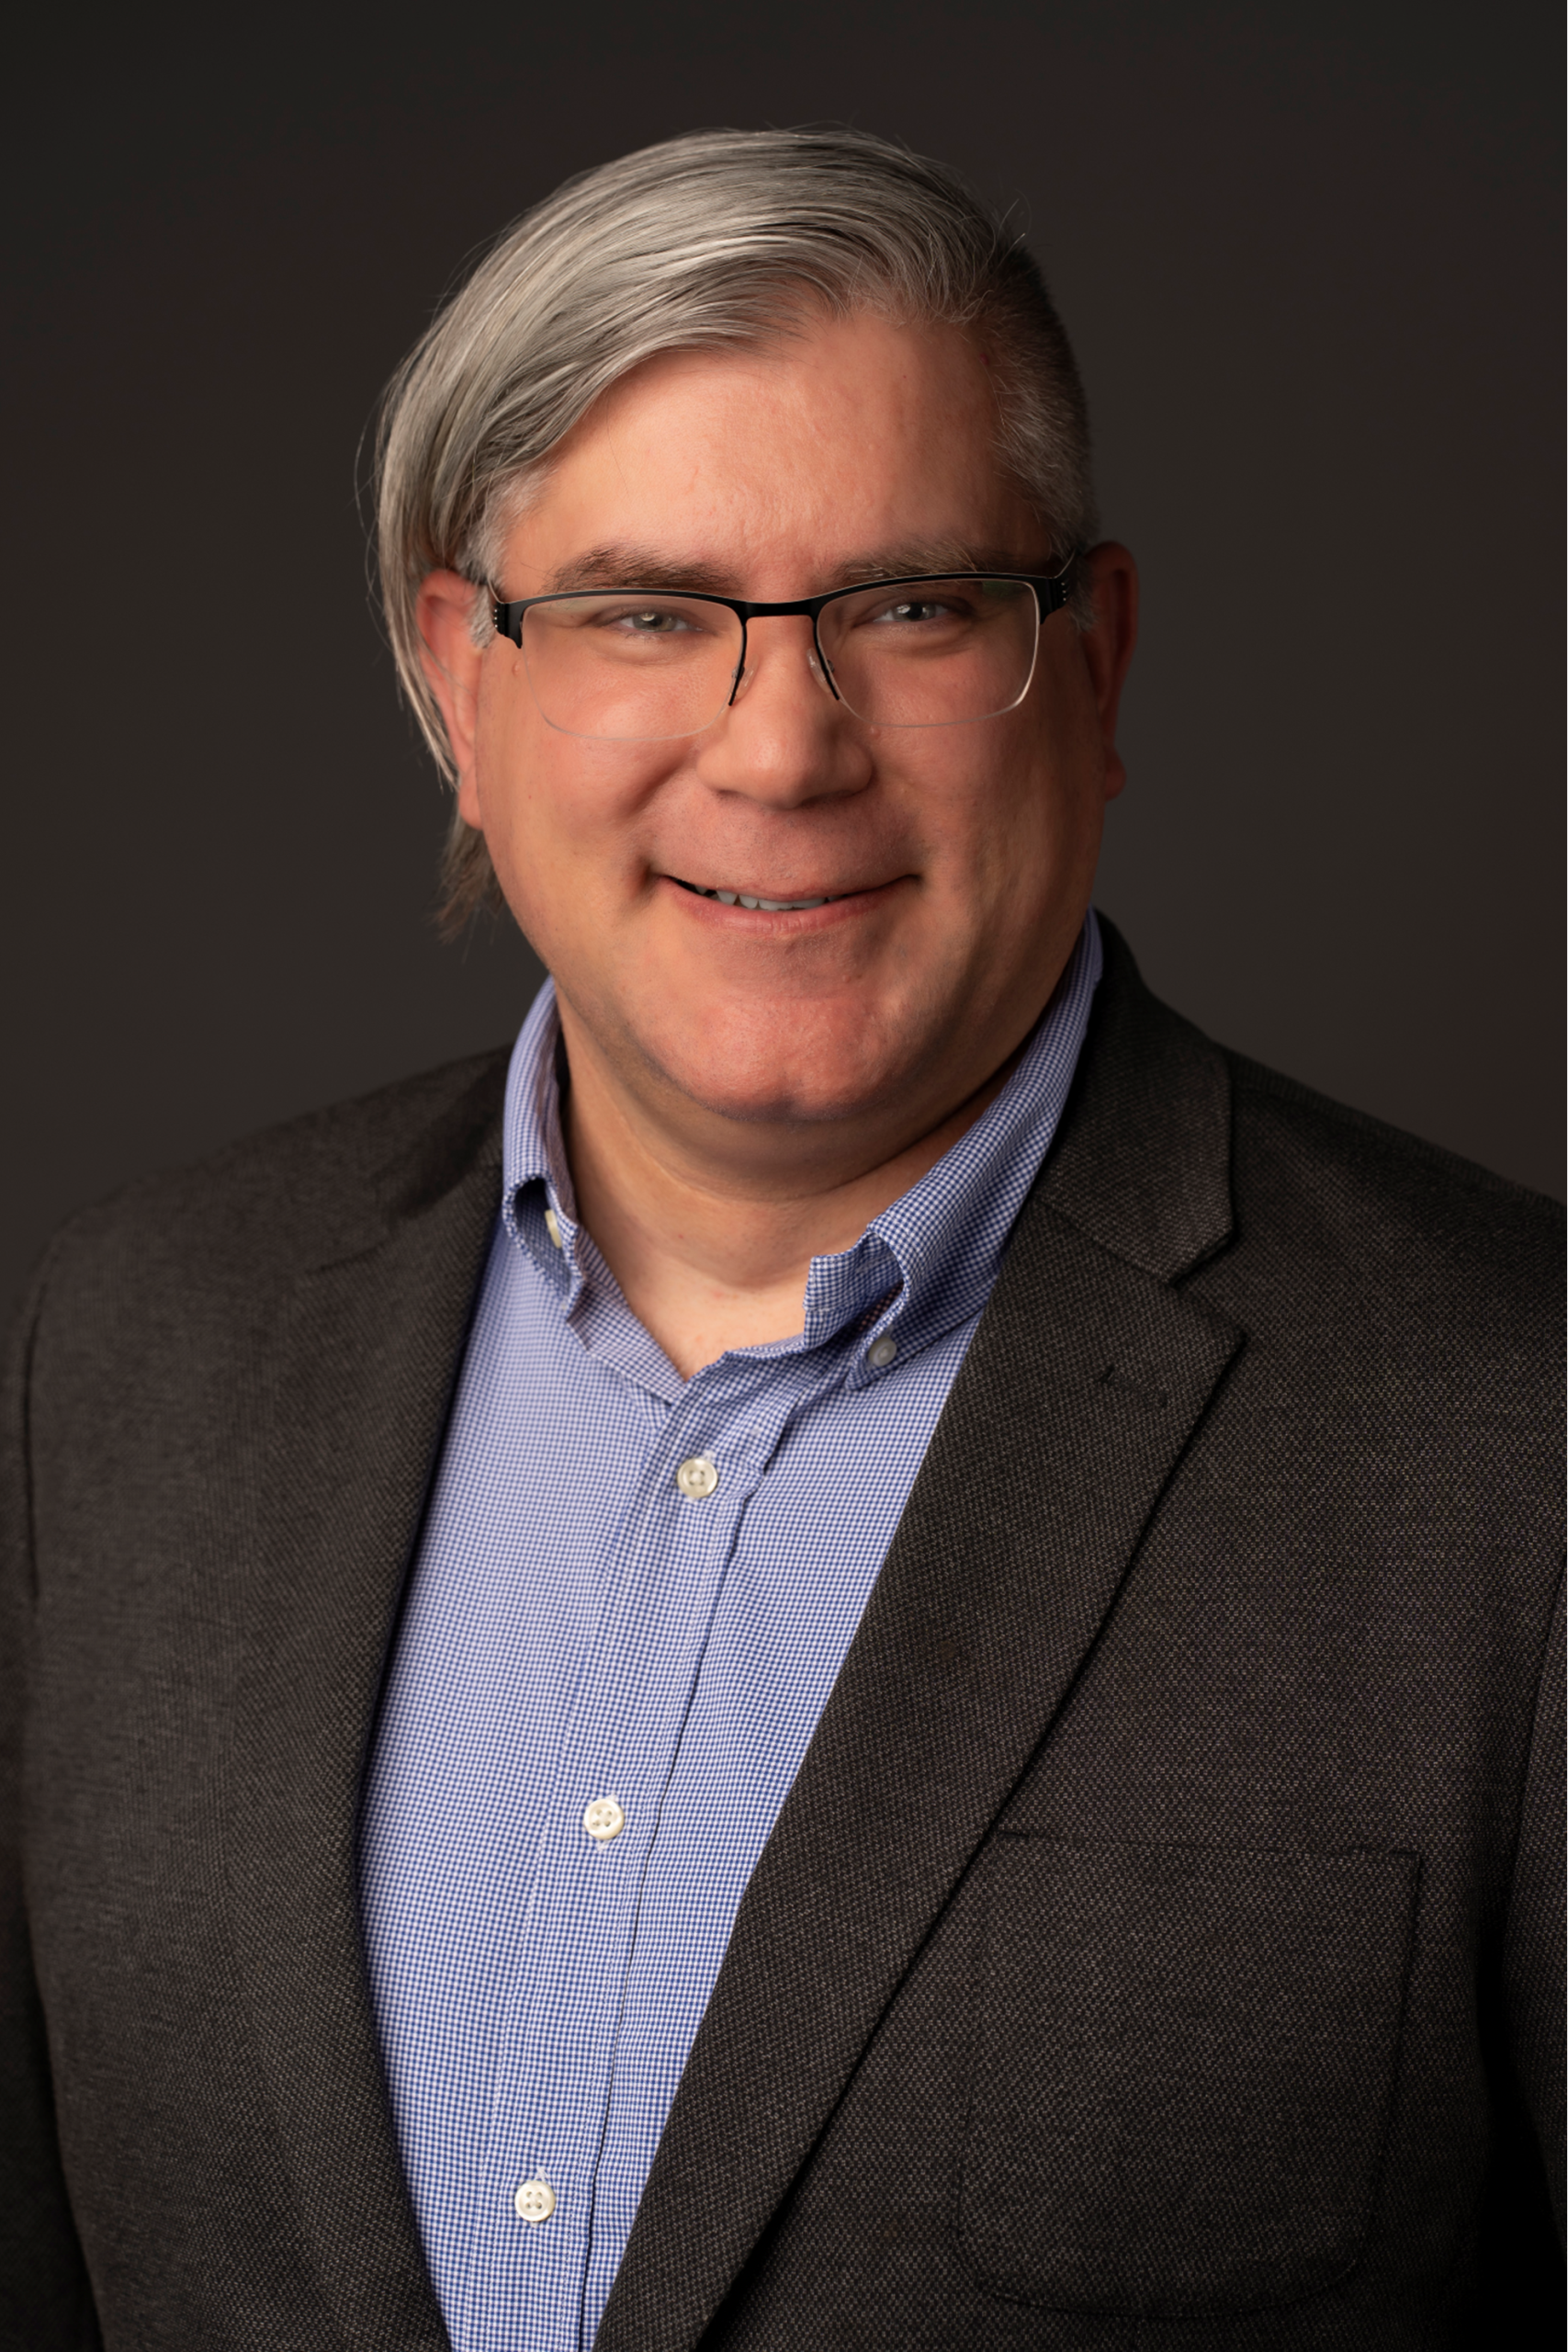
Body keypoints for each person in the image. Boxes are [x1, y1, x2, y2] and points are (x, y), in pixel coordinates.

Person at [3, 126, 1566, 2352]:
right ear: (463, 686)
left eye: (908, 606)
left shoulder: (1515, 1441)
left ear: (1091, 665)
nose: (780, 743)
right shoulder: (132, 1353)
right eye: (646, 611)